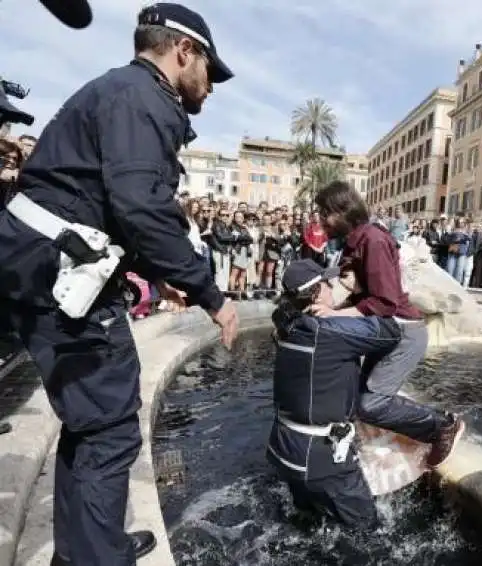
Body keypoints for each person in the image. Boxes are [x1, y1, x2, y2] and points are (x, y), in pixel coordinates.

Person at [0, 5, 239, 566]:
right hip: (57, 272)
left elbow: (112, 202)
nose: (211, 85)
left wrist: (161, 272)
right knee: (108, 425)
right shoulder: (143, 99)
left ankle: (93, 545)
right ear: (184, 51)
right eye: (210, 70)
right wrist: (211, 293)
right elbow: (140, 205)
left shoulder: (123, 93)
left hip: (41, 261)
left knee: (92, 419)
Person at [313, 181, 464, 468]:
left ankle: (443, 426)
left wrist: (333, 314)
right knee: (357, 398)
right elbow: (354, 288)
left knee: (370, 404)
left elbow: (385, 302)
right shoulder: (356, 241)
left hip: (404, 332)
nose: (320, 220)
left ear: (343, 210)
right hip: (384, 333)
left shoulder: (374, 240)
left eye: (324, 212)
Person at [268, 259, 402, 527]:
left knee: (306, 523)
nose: (333, 287)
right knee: (367, 533)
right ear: (317, 293)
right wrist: (349, 310)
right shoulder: (329, 331)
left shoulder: (284, 325)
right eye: (328, 284)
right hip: (321, 459)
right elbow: (391, 332)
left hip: (283, 449)